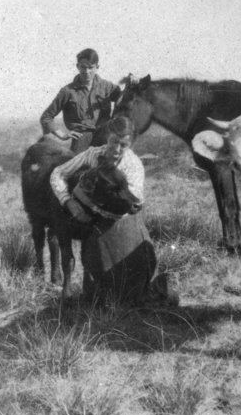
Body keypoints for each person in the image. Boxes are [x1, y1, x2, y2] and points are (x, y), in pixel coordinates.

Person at [50, 116, 175, 307]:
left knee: (133, 281)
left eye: (123, 145)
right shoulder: (92, 155)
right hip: (95, 226)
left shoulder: (133, 165)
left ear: (131, 144)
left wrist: (84, 200)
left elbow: (129, 206)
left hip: (122, 224)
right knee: (97, 291)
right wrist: (68, 201)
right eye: (114, 141)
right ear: (107, 137)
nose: (116, 149)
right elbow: (58, 173)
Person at [40, 48, 122, 152]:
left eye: (90, 67)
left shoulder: (107, 87)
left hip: (105, 138)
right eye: (83, 67)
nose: (87, 71)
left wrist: (132, 82)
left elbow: (125, 99)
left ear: (97, 67)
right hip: (81, 140)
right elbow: (46, 117)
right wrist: (62, 135)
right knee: (76, 162)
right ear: (77, 66)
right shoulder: (68, 91)